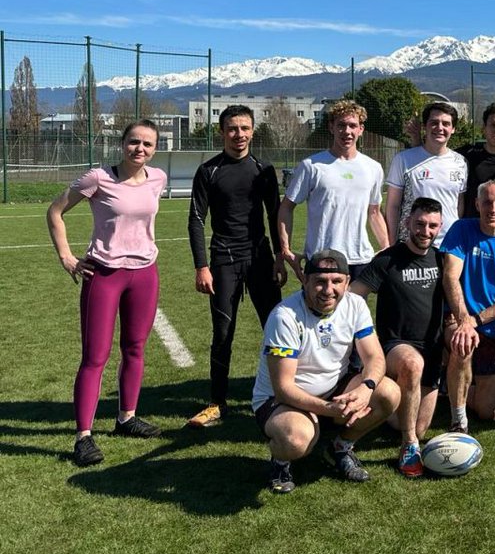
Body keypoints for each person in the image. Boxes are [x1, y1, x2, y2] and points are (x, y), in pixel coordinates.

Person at [48, 119, 166, 467]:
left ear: (155, 148)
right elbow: (55, 212)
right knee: (95, 357)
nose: (140, 149)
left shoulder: (157, 178)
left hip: (145, 274)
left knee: (135, 348)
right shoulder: (97, 178)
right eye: (134, 142)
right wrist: (67, 257)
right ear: (122, 144)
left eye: (147, 144)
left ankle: (126, 418)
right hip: (105, 275)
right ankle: (83, 437)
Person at [251, 249, 401, 493]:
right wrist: (329, 409)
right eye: (320, 282)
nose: (328, 290)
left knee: (389, 393)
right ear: (305, 280)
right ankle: (280, 462)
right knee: (296, 439)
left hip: (333, 390)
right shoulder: (285, 316)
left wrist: (367, 387)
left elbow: (374, 357)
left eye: (336, 281)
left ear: (347, 282)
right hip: (282, 400)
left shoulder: (355, 304)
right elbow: (284, 388)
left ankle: (340, 448)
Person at [186, 104, 288, 429]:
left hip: (259, 260)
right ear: (222, 132)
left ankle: (284, 393)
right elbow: (196, 219)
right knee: (223, 333)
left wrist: (279, 259)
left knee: (277, 328)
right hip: (223, 260)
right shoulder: (209, 171)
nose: (239, 135)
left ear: (253, 131)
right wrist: (202, 266)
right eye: (232, 129)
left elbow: (275, 217)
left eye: (244, 128)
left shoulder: (263, 169)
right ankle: (217, 402)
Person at [350, 198, 445, 478]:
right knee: (411, 367)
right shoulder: (387, 260)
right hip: (396, 345)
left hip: (433, 350)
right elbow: (354, 297)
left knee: (417, 424)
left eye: (432, 226)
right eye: (419, 224)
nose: (425, 231)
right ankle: (409, 447)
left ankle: (384, 399)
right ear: (407, 223)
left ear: (439, 227)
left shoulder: (442, 260)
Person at [441, 180, 495, 432]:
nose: (493, 208)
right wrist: (463, 319)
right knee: (463, 344)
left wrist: (476, 320)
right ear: (477, 204)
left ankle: (450, 383)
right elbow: (450, 276)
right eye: (487, 202)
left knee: (487, 412)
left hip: (491, 328)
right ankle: (458, 419)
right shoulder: (462, 229)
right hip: (459, 321)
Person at [278, 99, 387, 281]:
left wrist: (386, 247)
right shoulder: (311, 166)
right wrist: (285, 249)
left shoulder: (373, 168)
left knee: (355, 309)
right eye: (341, 125)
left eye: (353, 125)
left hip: (360, 259)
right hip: (322, 258)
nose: (347, 131)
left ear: (361, 129)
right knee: (320, 309)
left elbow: (374, 212)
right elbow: (286, 207)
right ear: (331, 127)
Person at [385, 101, 468, 248]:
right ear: (425, 126)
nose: (440, 128)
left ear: (453, 129)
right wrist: (392, 244)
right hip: (412, 244)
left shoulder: (461, 162)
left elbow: (459, 205)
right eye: (434, 122)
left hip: (450, 245)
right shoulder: (404, 159)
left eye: (446, 124)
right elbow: (393, 206)